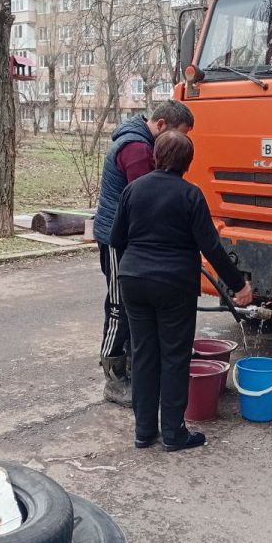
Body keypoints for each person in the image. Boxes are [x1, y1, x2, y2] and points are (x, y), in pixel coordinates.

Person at [110, 130, 253, 452]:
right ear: (188, 162)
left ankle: (144, 431)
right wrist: (238, 285)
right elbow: (211, 247)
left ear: (155, 157)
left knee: (144, 356)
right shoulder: (190, 194)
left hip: (134, 280)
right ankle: (174, 434)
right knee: (174, 357)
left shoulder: (133, 189)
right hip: (174, 284)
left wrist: (135, 264)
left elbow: (117, 237)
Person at [92, 100, 195, 407]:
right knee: (119, 303)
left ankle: (138, 371)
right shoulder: (136, 149)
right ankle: (114, 376)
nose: (181, 143)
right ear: (162, 125)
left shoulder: (144, 143)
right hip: (117, 238)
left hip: (133, 239)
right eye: (179, 134)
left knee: (135, 308)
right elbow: (149, 201)